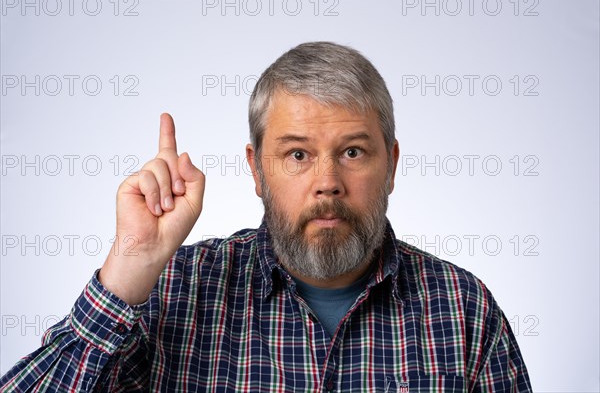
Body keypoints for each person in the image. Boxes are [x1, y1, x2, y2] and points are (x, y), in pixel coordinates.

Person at [0, 42, 532, 392]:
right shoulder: (175, 291)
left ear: (390, 165)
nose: (327, 181)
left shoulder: (463, 312)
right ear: (257, 170)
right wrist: (128, 269)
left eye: (352, 151)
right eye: (297, 155)